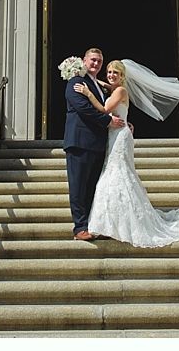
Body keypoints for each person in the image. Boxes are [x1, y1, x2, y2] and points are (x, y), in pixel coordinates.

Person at [74, 60, 179, 247]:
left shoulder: (121, 91)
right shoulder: (116, 89)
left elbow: (105, 110)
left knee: (117, 175)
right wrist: (94, 80)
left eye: (115, 72)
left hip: (120, 137)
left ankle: (115, 223)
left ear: (123, 76)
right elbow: (108, 86)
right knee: (117, 174)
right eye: (109, 72)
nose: (111, 75)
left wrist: (88, 93)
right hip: (115, 135)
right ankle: (113, 223)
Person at [63, 48, 125, 241]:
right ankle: (80, 227)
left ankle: (93, 224)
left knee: (92, 187)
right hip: (80, 141)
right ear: (84, 60)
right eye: (93, 60)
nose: (96, 64)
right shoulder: (76, 82)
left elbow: (109, 106)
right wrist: (107, 122)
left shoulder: (98, 86)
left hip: (97, 143)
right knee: (79, 186)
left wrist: (122, 120)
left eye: (99, 61)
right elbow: (83, 108)